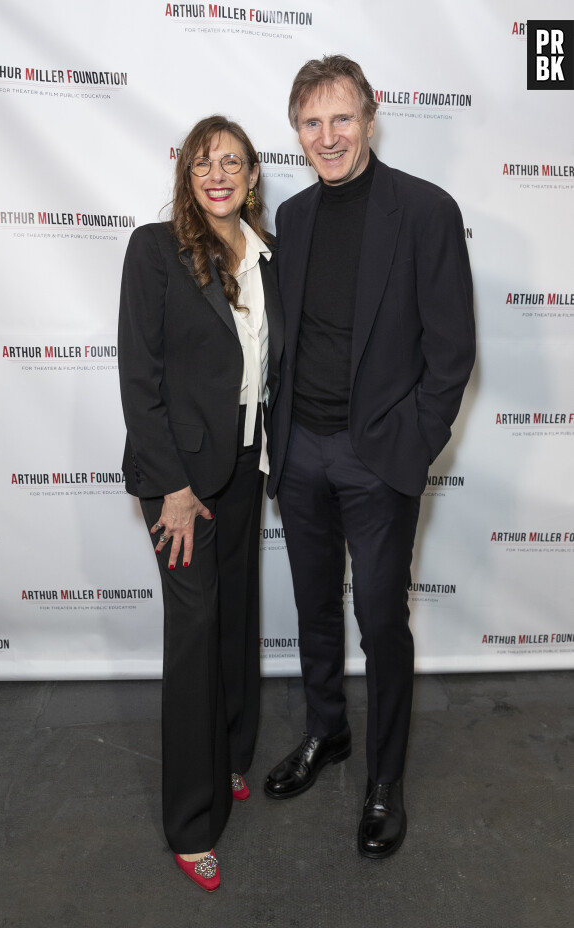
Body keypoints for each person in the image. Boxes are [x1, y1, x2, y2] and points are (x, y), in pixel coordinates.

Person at [264, 55, 475, 858]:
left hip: (376, 458)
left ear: (371, 114)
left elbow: (451, 352)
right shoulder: (295, 217)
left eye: (341, 118)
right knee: (314, 610)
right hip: (301, 452)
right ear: (298, 133)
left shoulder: (424, 211)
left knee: (381, 621)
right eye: (311, 123)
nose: (328, 136)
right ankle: (329, 735)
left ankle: (385, 779)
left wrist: (407, 447)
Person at [118, 115, 282, 890]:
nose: (218, 174)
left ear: (252, 176)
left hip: (246, 467)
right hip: (180, 478)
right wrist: (173, 488)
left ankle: (230, 756)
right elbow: (139, 379)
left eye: (233, 162)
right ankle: (191, 820)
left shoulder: (267, 260)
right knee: (194, 637)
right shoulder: (155, 252)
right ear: (187, 177)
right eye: (203, 163)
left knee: (236, 618)